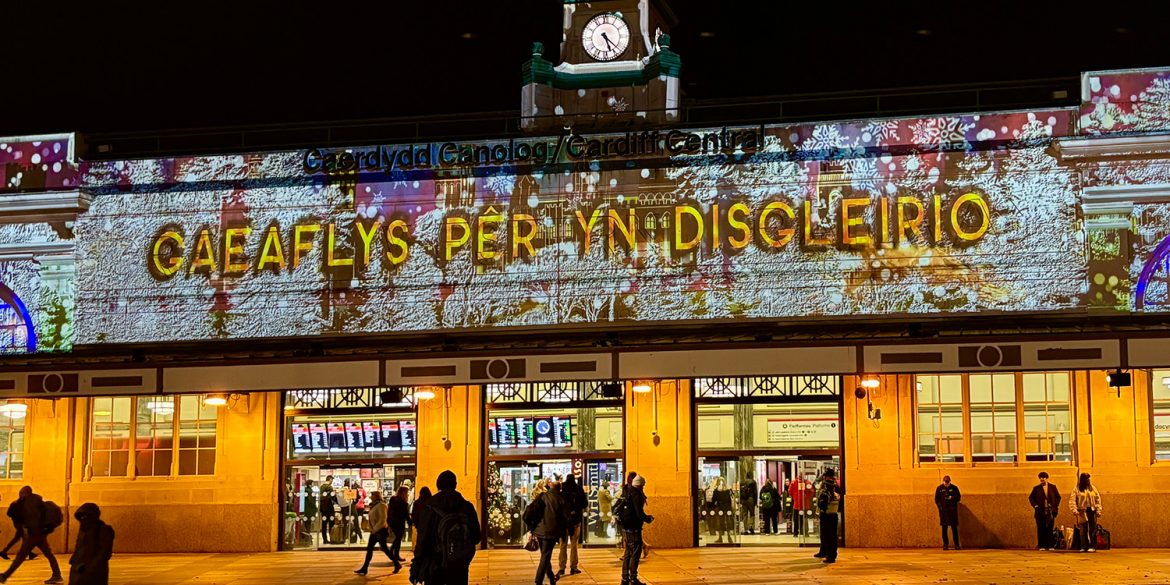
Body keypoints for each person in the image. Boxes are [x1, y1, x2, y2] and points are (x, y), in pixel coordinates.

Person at [413, 471, 481, 585]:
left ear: (438, 485)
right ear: (455, 484)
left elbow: (422, 539)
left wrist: (417, 566)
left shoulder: (429, 507)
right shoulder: (466, 506)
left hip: (435, 561)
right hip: (459, 563)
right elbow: (476, 536)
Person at [0, 486, 64, 584]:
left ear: (25, 493)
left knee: (21, 556)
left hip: (34, 534)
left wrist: (30, 531)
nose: (20, 494)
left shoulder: (30, 503)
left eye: (21, 492)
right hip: (39, 534)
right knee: (48, 554)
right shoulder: (35, 501)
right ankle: (57, 575)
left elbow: (33, 519)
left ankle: (5, 576)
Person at [525, 479, 566, 585]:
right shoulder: (560, 499)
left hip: (540, 530)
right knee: (545, 556)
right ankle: (538, 580)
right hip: (551, 531)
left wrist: (532, 527)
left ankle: (552, 577)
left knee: (545, 554)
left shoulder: (543, 496)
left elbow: (532, 511)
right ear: (559, 489)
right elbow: (564, 517)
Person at [617, 475, 654, 585]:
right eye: (643, 485)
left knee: (628, 552)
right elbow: (638, 512)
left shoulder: (626, 491)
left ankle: (624, 578)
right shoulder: (636, 494)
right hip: (634, 527)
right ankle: (633, 578)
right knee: (636, 553)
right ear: (640, 485)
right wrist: (648, 518)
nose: (644, 487)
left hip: (625, 526)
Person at [67, 503, 114, 585]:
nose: (83, 519)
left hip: (94, 570)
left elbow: (105, 550)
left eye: (86, 516)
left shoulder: (102, 529)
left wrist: (93, 566)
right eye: (81, 517)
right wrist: (74, 560)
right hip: (79, 568)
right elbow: (79, 546)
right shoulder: (83, 529)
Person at [354, 491, 394, 576]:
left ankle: (365, 568)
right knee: (374, 549)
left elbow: (382, 520)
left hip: (380, 531)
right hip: (375, 531)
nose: (370, 497)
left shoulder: (381, 505)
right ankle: (365, 568)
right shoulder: (375, 505)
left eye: (372, 495)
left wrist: (375, 529)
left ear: (376, 496)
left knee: (381, 549)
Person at [558, 474, 587, 577]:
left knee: (563, 544)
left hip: (563, 522)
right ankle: (573, 567)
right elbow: (585, 504)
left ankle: (561, 567)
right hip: (575, 521)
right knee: (574, 544)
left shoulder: (562, 489)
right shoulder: (578, 489)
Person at [813, 469, 844, 564]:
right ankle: (826, 552)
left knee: (827, 535)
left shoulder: (827, 486)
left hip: (826, 514)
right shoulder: (836, 486)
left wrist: (820, 506)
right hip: (833, 513)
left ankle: (830, 555)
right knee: (830, 535)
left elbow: (822, 501)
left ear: (827, 476)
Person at [1029, 471, 1062, 550]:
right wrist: (1035, 505)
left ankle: (1050, 545)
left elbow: (1058, 497)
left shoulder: (1053, 487)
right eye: (1040, 478)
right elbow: (1031, 498)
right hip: (1040, 511)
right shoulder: (1036, 488)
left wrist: (1055, 506)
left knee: (1050, 528)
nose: (1042, 480)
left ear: (1047, 478)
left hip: (1050, 511)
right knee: (1041, 528)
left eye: (1043, 478)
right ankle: (1042, 545)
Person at [1070, 472, 1102, 553]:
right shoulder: (1077, 489)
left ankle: (1092, 546)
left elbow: (1097, 499)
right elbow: (1073, 499)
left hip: (1092, 510)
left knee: (1093, 529)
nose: (1088, 480)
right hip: (1082, 511)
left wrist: (1098, 510)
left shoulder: (1092, 488)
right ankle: (1084, 546)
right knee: (1083, 529)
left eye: (1089, 479)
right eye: (1087, 479)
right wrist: (1074, 509)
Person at [0, 496, 36, 562]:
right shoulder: (21, 505)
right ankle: (27, 553)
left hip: (18, 523)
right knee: (25, 539)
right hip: (20, 524)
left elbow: (9, 514)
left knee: (17, 538)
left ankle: (4, 551)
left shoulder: (14, 504)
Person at [387, 486, 411, 568]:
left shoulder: (393, 499)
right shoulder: (403, 503)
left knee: (397, 538)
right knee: (398, 538)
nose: (407, 494)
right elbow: (405, 514)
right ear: (404, 493)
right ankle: (394, 553)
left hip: (392, 522)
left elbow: (389, 510)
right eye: (407, 493)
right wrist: (410, 522)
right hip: (399, 522)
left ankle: (394, 553)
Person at [934, 475, 961, 550]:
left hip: (952, 511)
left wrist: (952, 498)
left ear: (950, 481)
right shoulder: (940, 488)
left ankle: (957, 544)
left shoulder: (954, 488)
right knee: (944, 528)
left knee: (954, 528)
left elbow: (958, 497)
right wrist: (940, 507)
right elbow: (936, 499)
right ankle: (945, 544)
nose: (946, 484)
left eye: (947, 482)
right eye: (945, 482)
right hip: (944, 511)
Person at [711, 477, 733, 543]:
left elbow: (713, 500)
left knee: (720, 523)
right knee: (727, 523)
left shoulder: (716, 490)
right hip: (726, 509)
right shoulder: (727, 490)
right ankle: (729, 537)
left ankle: (720, 537)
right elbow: (729, 500)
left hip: (720, 509)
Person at [320, 477, 337, 545]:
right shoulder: (329, 487)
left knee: (324, 524)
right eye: (332, 480)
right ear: (330, 480)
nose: (332, 481)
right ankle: (332, 538)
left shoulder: (321, 486)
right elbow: (333, 497)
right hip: (329, 508)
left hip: (323, 508)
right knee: (331, 524)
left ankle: (325, 539)